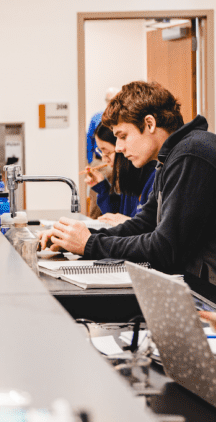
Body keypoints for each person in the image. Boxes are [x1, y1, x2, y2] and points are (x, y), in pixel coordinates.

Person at [42, 81, 216, 281]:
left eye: (123, 136)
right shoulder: (170, 157)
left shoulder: (191, 154)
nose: (118, 148)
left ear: (149, 124)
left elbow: (165, 249)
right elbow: (143, 224)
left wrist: (89, 244)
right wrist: (75, 238)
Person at [83, 123, 156, 226]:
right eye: (100, 152)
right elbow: (117, 216)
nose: (104, 159)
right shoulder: (129, 178)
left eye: (107, 152)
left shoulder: (152, 178)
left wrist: (129, 223)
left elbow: (146, 231)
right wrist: (102, 187)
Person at [86, 86, 120, 164]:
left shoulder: (121, 119)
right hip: (98, 159)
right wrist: (90, 160)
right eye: (108, 100)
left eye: (112, 100)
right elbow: (89, 139)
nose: (110, 103)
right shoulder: (96, 118)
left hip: (115, 159)